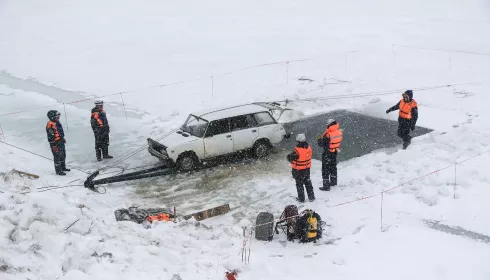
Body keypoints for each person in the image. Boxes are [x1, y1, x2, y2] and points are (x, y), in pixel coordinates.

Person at [287, 133, 315, 202]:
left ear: (298, 141)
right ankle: (311, 197)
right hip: (307, 169)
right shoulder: (309, 148)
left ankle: (301, 198)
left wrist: (290, 155)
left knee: (299, 184)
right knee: (308, 182)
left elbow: (289, 158)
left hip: (298, 170)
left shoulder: (296, 151)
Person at [317, 119, 343, 191]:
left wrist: (319, 139)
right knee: (333, 167)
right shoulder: (339, 132)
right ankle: (333, 182)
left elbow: (321, 144)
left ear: (329, 125)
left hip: (327, 153)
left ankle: (326, 186)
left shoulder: (328, 135)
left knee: (325, 169)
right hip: (334, 152)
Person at [46, 110, 70, 175]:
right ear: (52, 117)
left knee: (63, 155)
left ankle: (63, 167)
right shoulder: (50, 125)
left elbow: (59, 132)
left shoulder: (57, 122)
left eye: (58, 117)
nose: (58, 118)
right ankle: (58, 171)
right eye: (57, 117)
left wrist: (62, 138)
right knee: (57, 156)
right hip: (55, 143)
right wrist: (54, 146)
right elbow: (50, 137)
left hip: (60, 141)